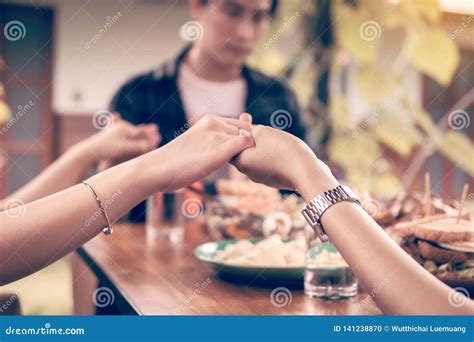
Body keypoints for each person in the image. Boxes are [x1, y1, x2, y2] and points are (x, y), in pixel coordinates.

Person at [110, 0, 306, 222]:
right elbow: (108, 204)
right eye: (232, 11)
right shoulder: (139, 94)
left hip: (255, 250)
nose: (244, 33)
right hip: (156, 250)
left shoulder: (279, 98)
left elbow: (303, 188)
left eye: (259, 17)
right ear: (197, 6)